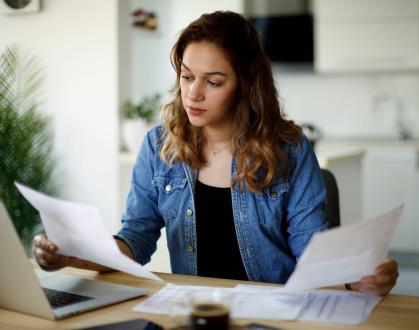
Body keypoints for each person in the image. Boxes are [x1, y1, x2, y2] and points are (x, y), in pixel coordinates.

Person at [32, 11, 398, 296]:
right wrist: (80, 254)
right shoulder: (159, 147)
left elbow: (312, 254)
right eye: (187, 76)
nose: (193, 94)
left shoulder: (290, 150)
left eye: (213, 82)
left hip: (273, 313)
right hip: (193, 310)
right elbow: (137, 239)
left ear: (246, 85)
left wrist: (357, 278)